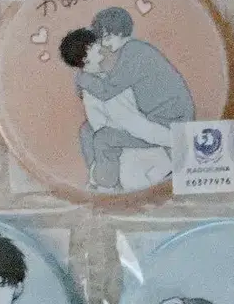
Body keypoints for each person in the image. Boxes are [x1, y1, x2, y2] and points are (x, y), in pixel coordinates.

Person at [59, 27, 177, 192]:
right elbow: (127, 122)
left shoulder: (101, 81)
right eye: (96, 48)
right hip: (130, 144)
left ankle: (102, 182)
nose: (102, 48)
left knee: (98, 137)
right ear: (86, 57)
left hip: (137, 146)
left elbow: (132, 123)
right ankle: (103, 182)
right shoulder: (101, 86)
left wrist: (173, 140)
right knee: (91, 133)